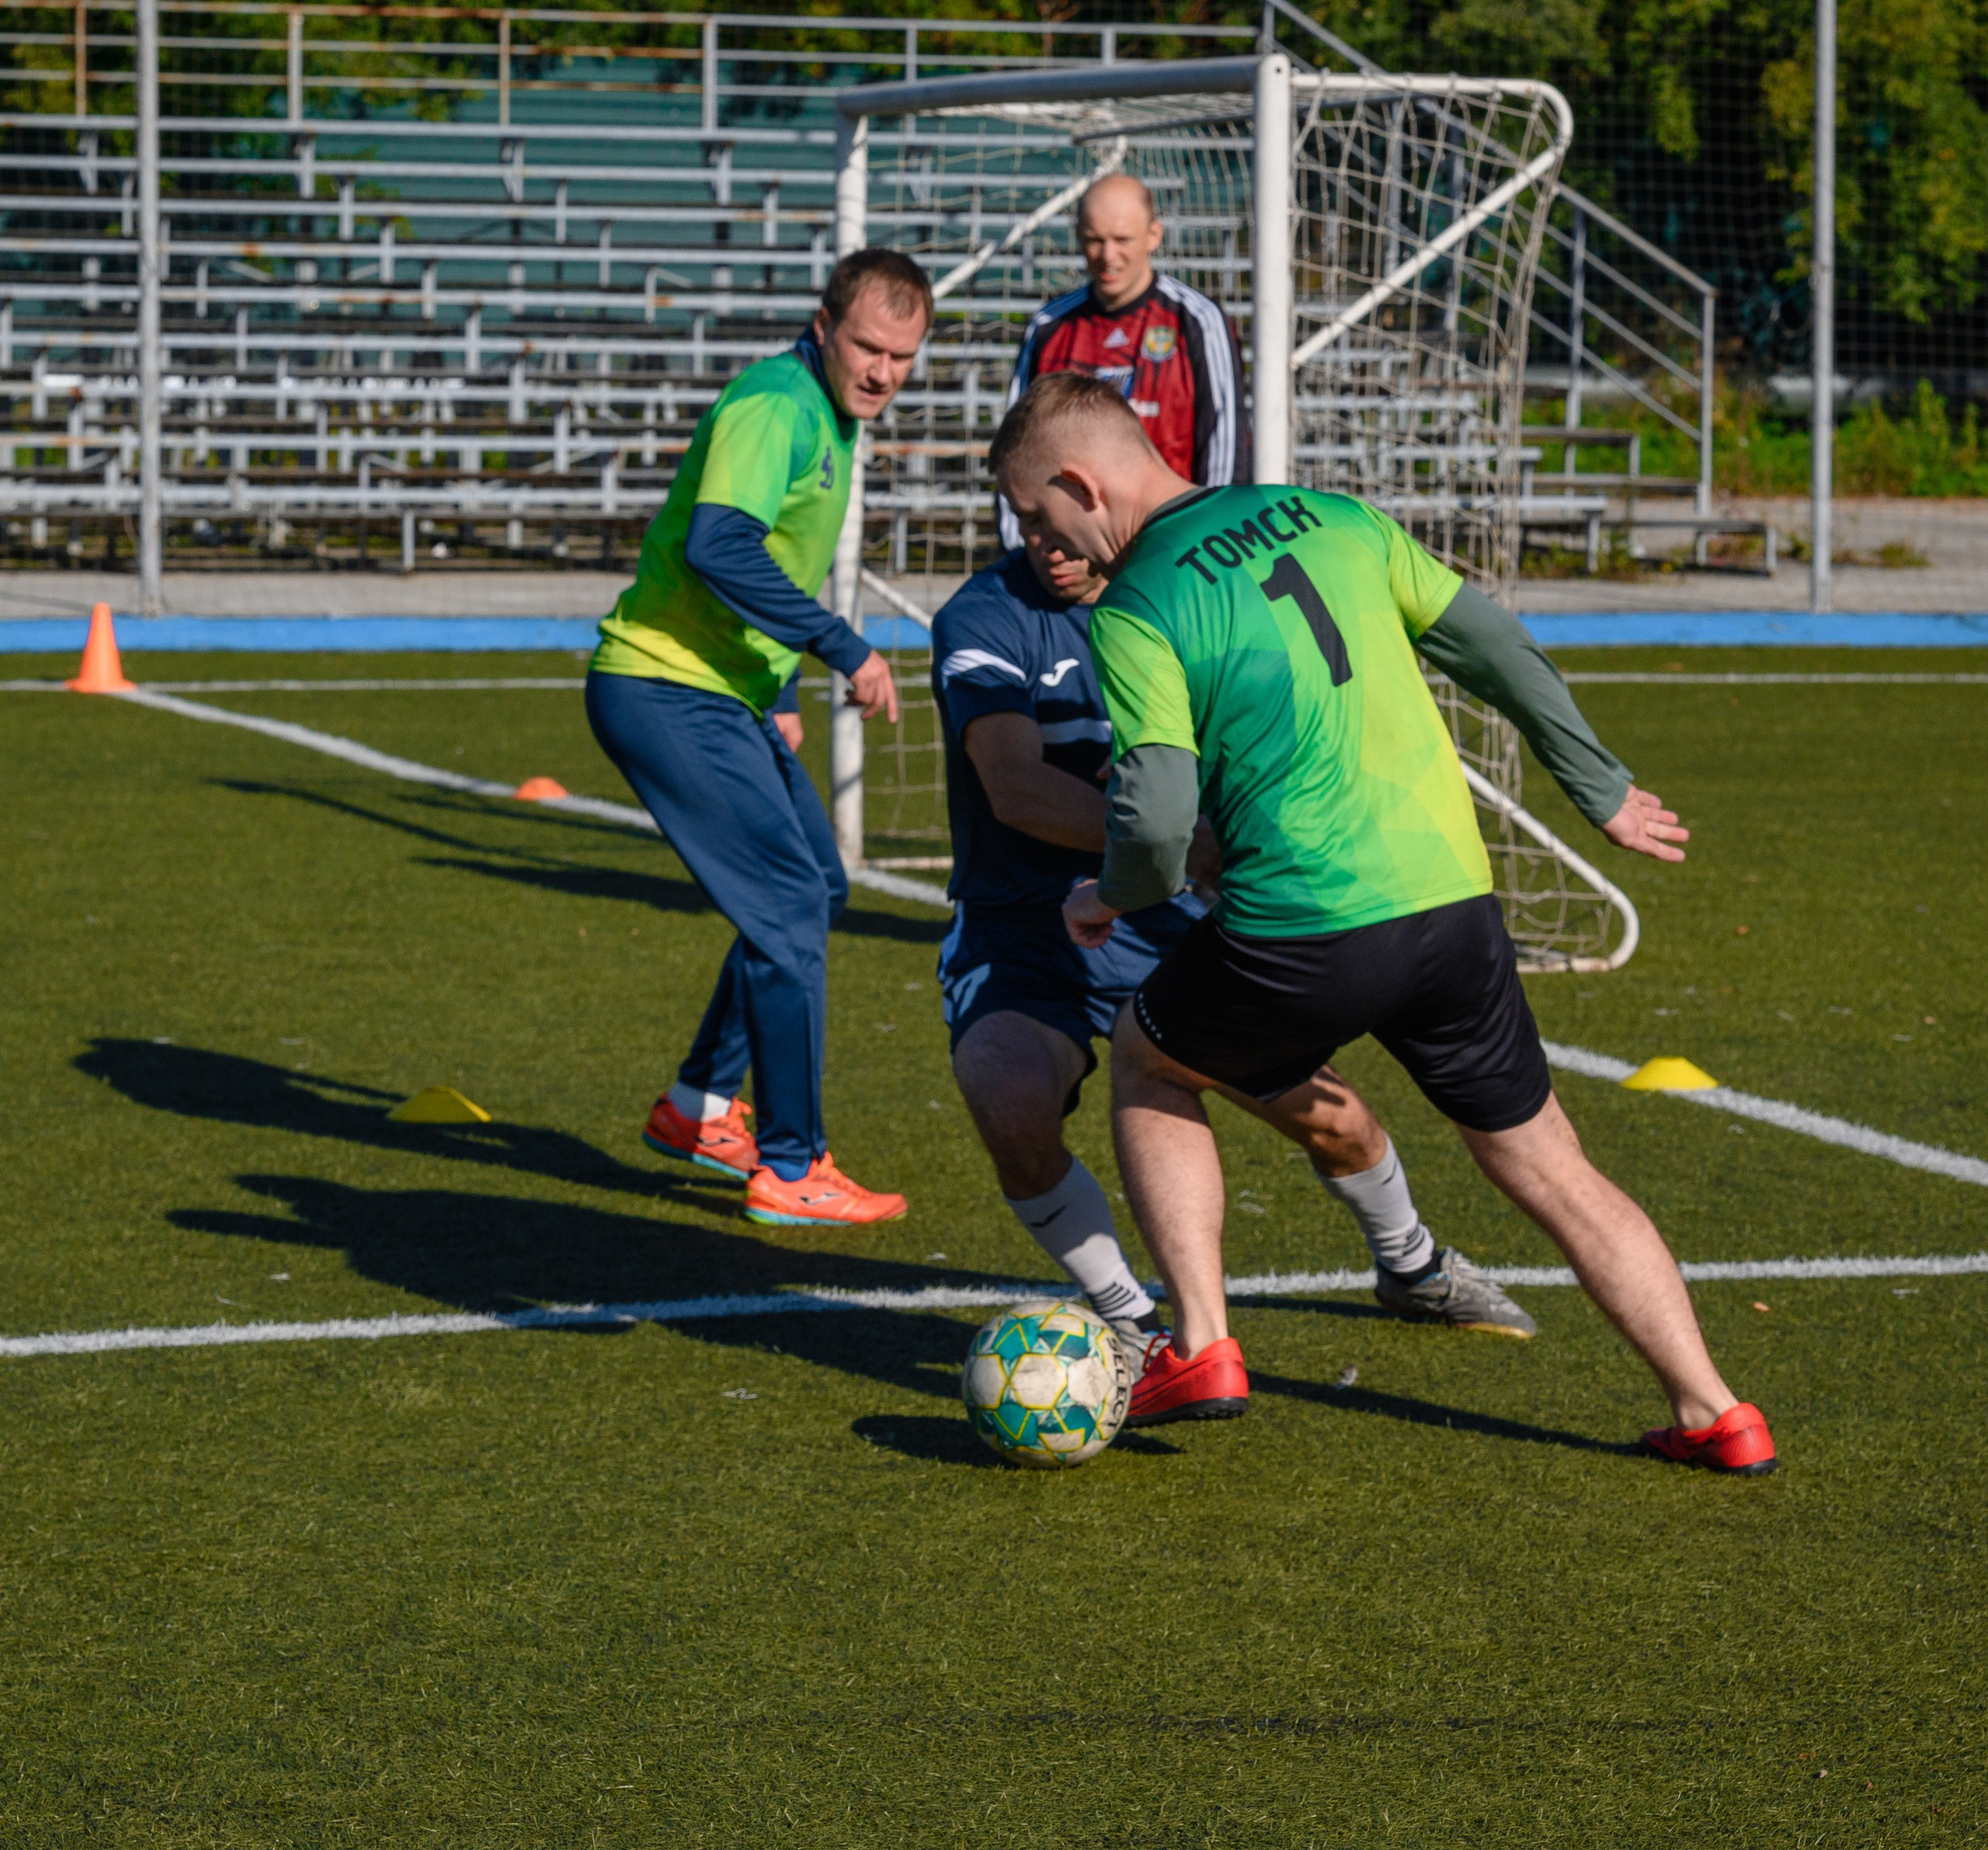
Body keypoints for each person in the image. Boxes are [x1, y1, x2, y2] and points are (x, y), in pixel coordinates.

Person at [992, 371, 1777, 1475]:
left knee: (1151, 1060)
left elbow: (1159, 815)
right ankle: (1716, 1410)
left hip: (1303, 925)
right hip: (1454, 910)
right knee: (1553, 1165)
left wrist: (1107, 896)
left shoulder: (1137, 607)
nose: (1043, 541)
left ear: (1081, 481)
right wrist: (1596, 786)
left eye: (1038, 514)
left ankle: (1205, 1346)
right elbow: (1493, 642)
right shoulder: (1336, 516)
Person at [931, 508, 1539, 1376]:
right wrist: (1166, 835)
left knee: (1337, 1124)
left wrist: (1193, 825)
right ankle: (1130, 1317)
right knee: (1005, 1090)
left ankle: (1411, 1262)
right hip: (1022, 921)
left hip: (1163, 915)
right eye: (1028, 523)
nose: (1049, 545)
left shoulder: (1188, 599)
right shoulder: (985, 614)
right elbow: (1015, 786)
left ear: (1102, 501)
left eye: (1060, 525)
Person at [584, 249, 930, 1229]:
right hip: (663, 686)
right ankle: (791, 1163)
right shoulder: (778, 403)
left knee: (814, 887)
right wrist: (837, 646)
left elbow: (769, 555)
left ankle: (698, 1107)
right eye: (867, 346)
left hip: (722, 690)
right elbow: (719, 541)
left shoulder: (827, 412)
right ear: (823, 325)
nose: (882, 372)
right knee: (786, 909)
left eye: (902, 356)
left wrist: (773, 682)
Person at [996, 172, 1248, 550]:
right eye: (1095, 240)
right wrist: (1019, 549)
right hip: (1068, 552)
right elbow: (1015, 447)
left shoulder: (1197, 321)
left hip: (1171, 548)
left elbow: (1224, 447)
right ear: (1078, 236)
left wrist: (1208, 543)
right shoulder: (1049, 326)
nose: (1108, 256)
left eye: (1123, 240)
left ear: (1154, 236)